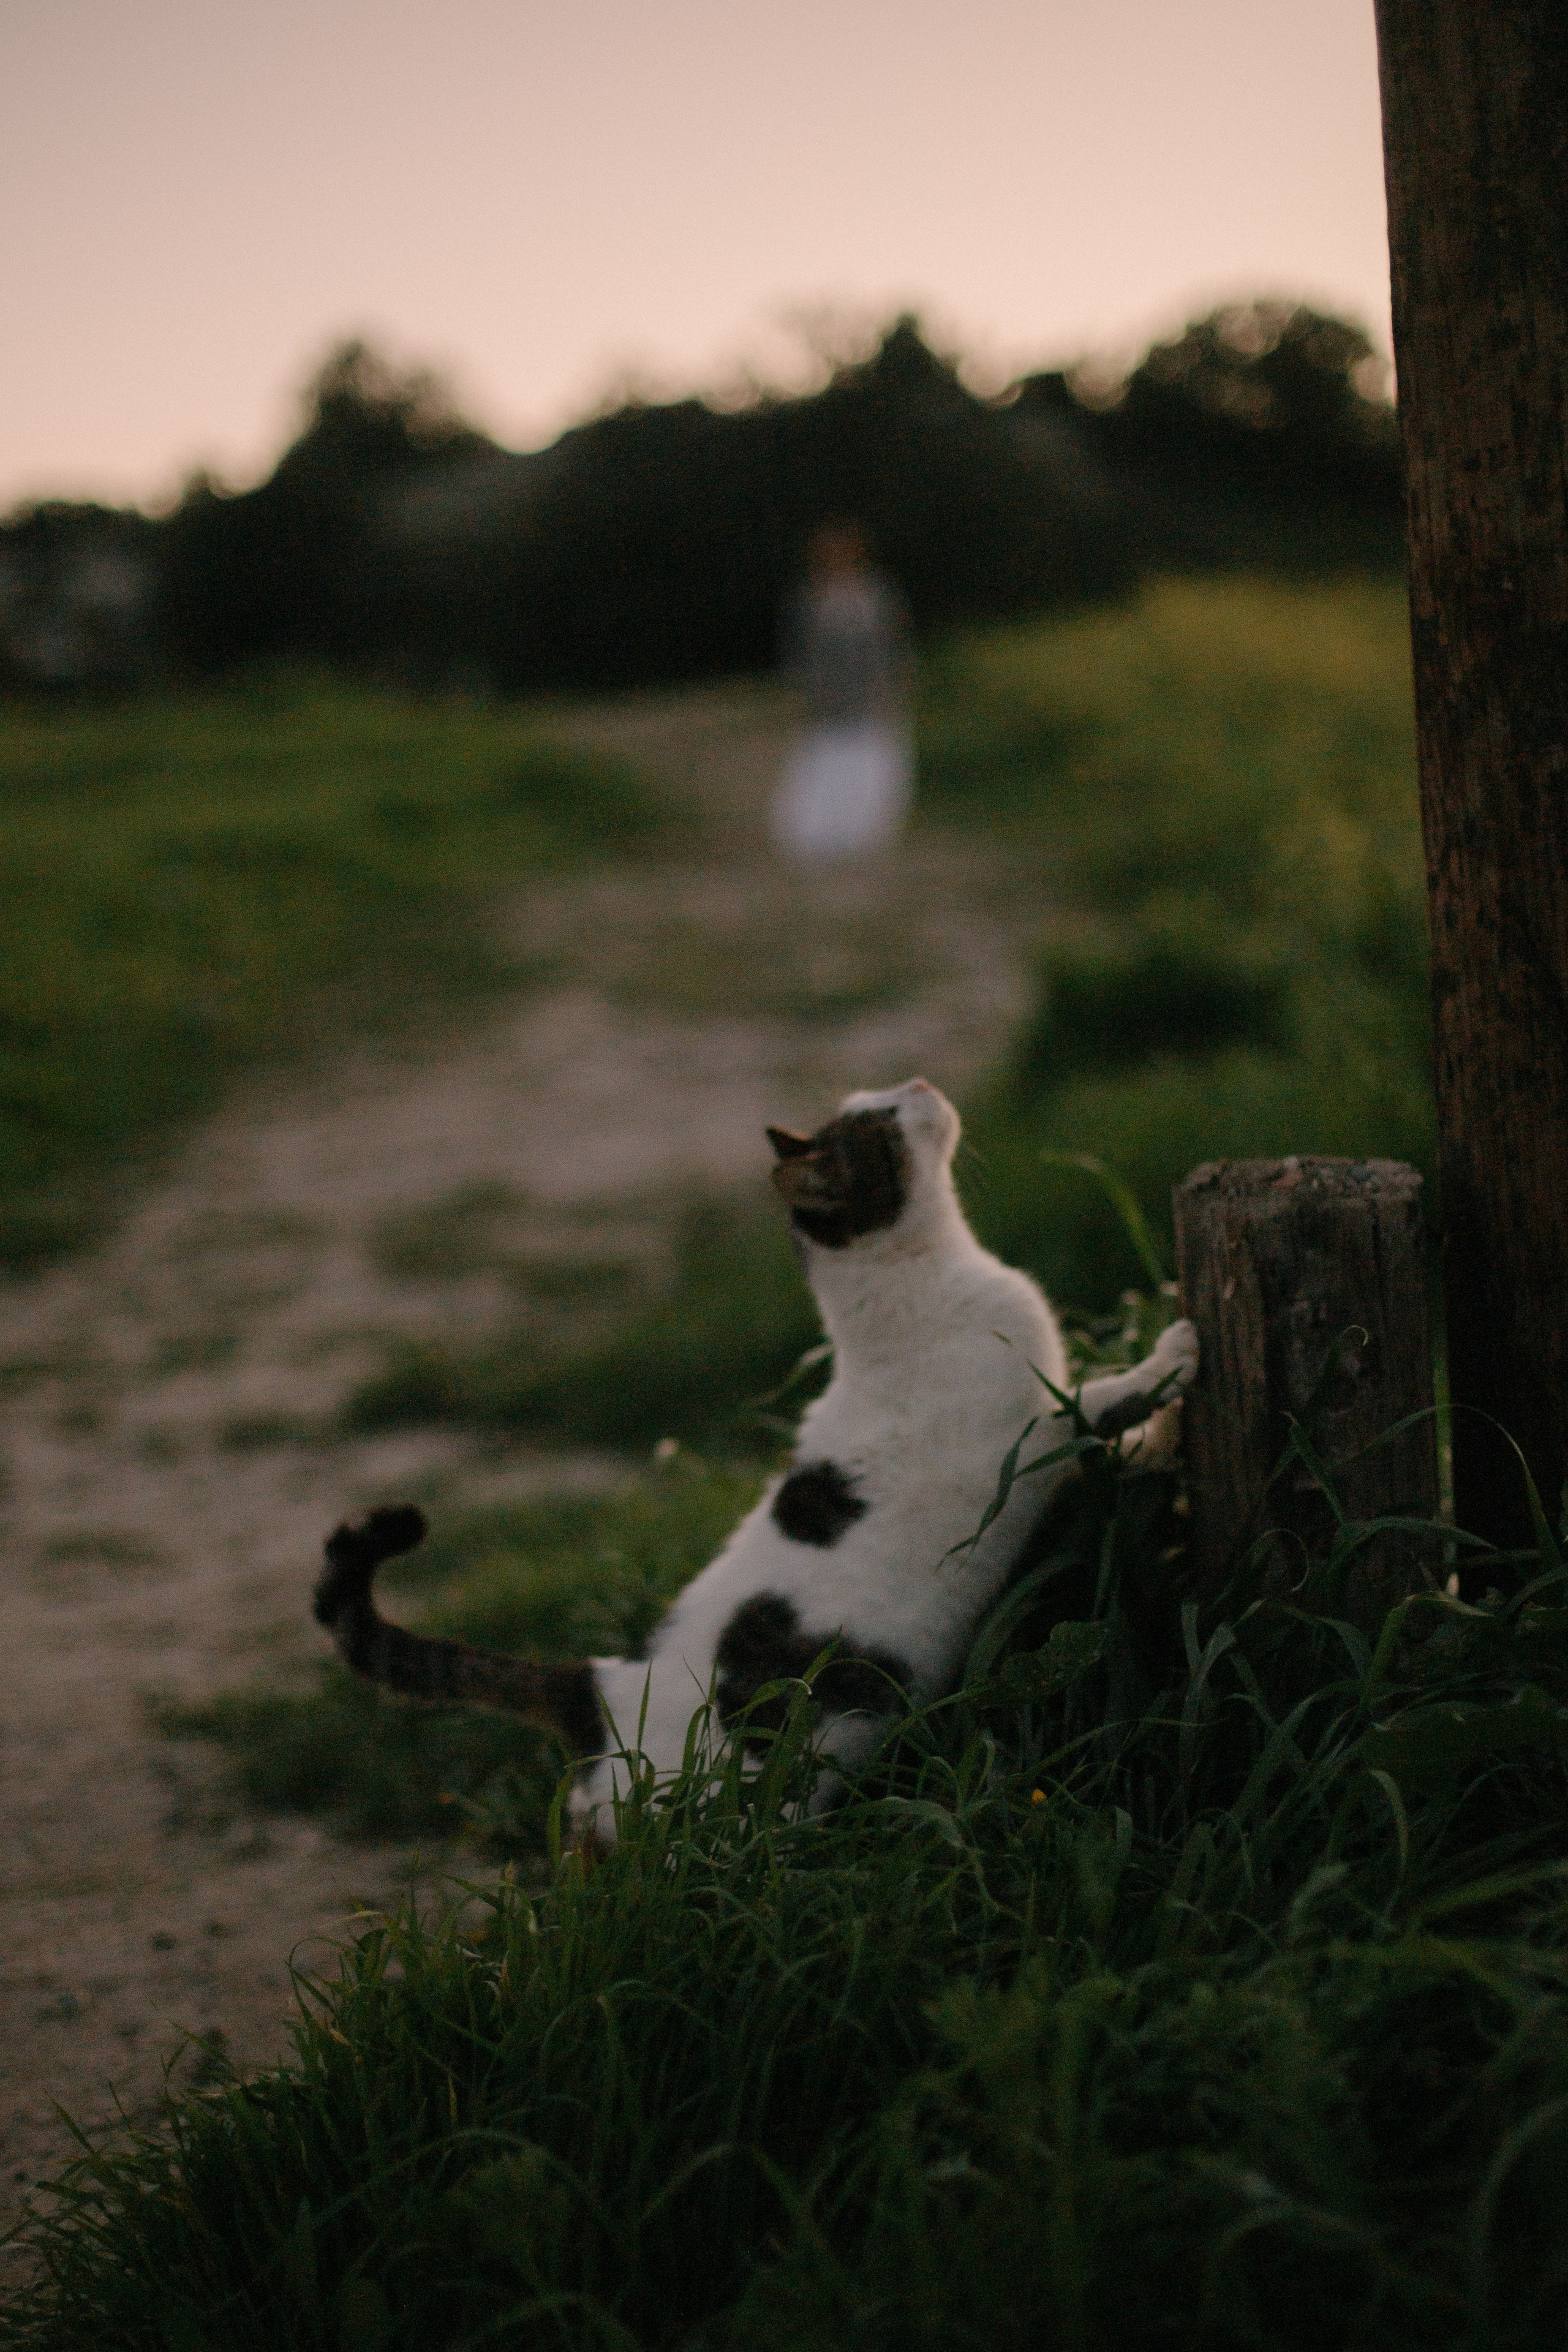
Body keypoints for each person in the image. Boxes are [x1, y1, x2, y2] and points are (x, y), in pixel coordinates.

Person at [771, 521, 913, 862]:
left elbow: (893, 645)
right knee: (825, 761)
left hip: (872, 696)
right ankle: (817, 836)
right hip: (827, 700)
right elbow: (800, 652)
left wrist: (897, 684)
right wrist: (802, 691)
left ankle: (867, 833)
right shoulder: (810, 598)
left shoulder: (877, 594)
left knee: (873, 760)